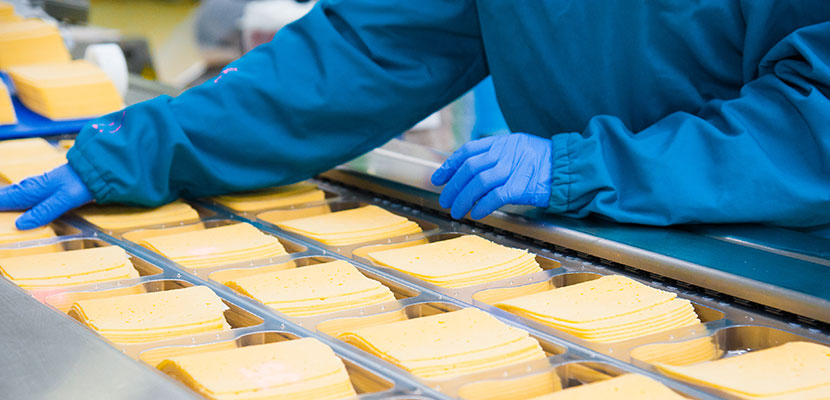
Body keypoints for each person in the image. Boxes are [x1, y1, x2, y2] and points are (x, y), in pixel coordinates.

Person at [1, 1, 829, 238]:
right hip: (584, 238)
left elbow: (814, 121)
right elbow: (362, 54)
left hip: (773, 265)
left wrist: (586, 168)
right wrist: (137, 150)